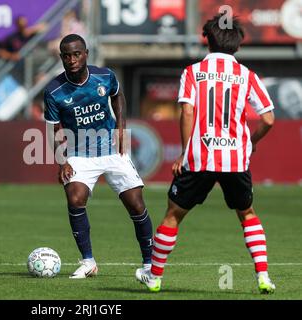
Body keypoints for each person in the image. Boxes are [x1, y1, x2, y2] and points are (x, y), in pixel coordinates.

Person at [136, 13, 276, 294]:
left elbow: (187, 111)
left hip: (200, 155)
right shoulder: (246, 75)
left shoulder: (192, 72)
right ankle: (263, 277)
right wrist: (250, 142)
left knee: (174, 214)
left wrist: (185, 153)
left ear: (207, 40)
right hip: (235, 157)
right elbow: (269, 119)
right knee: (247, 213)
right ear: (237, 45)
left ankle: (155, 277)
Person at [43, 34, 153, 279]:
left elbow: (117, 95)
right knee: (75, 198)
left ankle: (149, 264)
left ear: (85, 54)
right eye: (66, 56)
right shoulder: (53, 91)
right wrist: (62, 161)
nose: (71, 60)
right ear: (61, 58)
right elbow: (54, 129)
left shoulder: (105, 76)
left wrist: (121, 127)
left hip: (112, 149)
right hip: (79, 153)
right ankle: (88, 261)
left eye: (76, 54)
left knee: (136, 204)